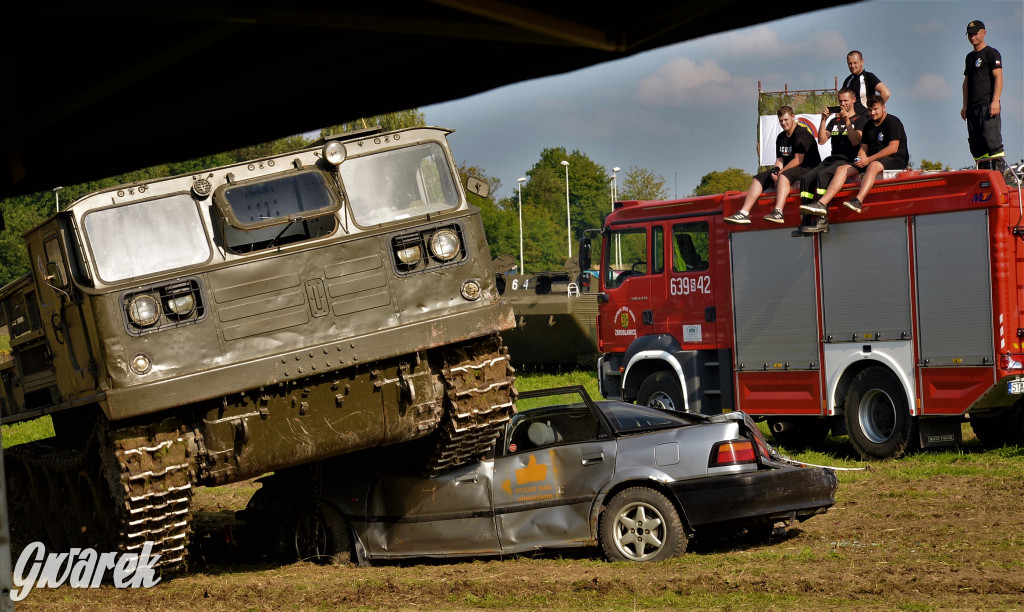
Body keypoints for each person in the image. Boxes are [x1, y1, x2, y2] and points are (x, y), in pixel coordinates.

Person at [725, 106, 820, 225]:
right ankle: (744, 213)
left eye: (786, 120)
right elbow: (780, 159)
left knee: (784, 176)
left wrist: (780, 173)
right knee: (758, 178)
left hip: (808, 168)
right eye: (781, 121)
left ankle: (778, 212)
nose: (783, 123)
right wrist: (775, 170)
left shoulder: (802, 134)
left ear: (793, 117)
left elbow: (797, 160)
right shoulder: (781, 137)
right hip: (789, 169)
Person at [794, 87, 868, 235]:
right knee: (806, 178)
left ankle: (822, 220)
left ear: (853, 100)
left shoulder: (860, 120)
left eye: (845, 101)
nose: (842, 104)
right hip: (832, 159)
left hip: (848, 160)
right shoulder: (834, 121)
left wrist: (847, 120)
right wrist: (823, 119)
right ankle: (807, 219)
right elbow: (821, 140)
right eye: (840, 101)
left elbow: (855, 141)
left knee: (823, 175)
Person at [829, 95, 909, 214]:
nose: (872, 113)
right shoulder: (868, 125)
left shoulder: (893, 121)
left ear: (883, 107)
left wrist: (869, 159)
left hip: (895, 159)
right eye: (870, 110)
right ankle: (823, 203)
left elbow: (893, 148)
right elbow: (863, 148)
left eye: (875, 109)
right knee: (841, 169)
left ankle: (858, 201)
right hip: (873, 159)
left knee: (873, 166)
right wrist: (860, 158)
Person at [961, 20, 1003, 171]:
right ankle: (983, 177)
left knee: (992, 142)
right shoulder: (969, 57)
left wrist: (995, 101)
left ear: (983, 33)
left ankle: (1000, 177)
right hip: (972, 108)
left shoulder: (991, 53)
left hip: (987, 105)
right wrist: (965, 105)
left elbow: (998, 77)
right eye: (970, 34)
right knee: (976, 145)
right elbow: (966, 82)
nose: (972, 37)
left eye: (975, 34)